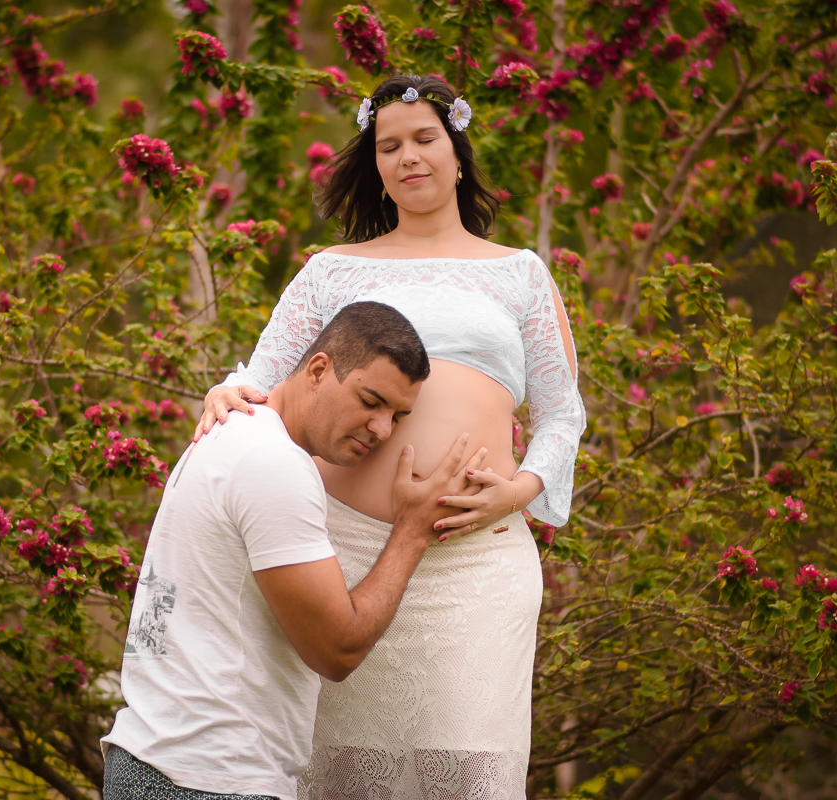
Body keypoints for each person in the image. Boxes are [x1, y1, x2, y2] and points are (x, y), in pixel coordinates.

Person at [197, 74, 587, 798]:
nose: (408, 156)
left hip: (478, 567)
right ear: (375, 167)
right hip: (341, 560)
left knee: (467, 770)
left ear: (458, 151)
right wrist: (225, 390)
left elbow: (564, 415)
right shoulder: (330, 272)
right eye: (389, 146)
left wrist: (521, 491)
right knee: (344, 773)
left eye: (425, 139)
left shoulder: (522, 275)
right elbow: (262, 380)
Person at [101, 301, 486, 800]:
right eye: (370, 401)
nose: (382, 429)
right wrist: (412, 531)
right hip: (205, 780)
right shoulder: (273, 463)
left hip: (158, 763)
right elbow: (336, 649)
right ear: (319, 369)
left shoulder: (235, 431)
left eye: (398, 415)